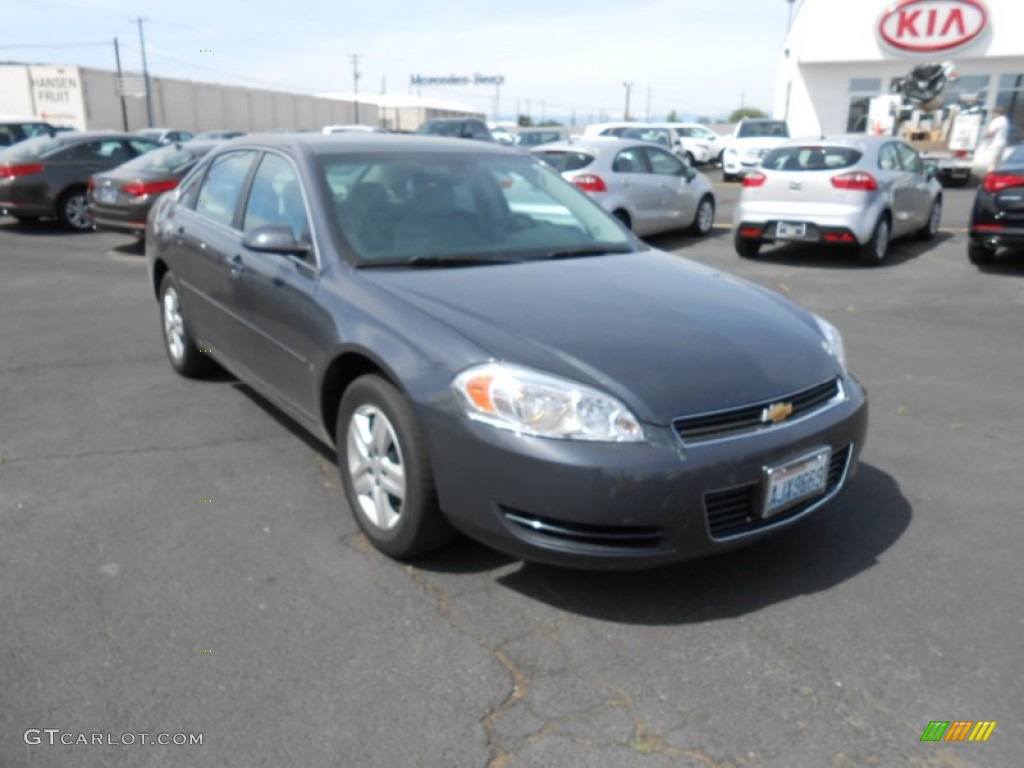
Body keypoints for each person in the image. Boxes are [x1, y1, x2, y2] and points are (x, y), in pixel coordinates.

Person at [981, 106, 1010, 171]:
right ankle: (996, 178)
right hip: (1002, 144)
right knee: (998, 165)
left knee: (992, 164)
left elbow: (991, 133)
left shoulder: (997, 121)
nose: (992, 115)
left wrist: (984, 136)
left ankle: (990, 179)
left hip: (995, 144)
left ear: (998, 113)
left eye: (993, 113)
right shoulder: (1005, 120)